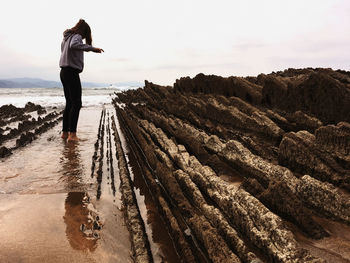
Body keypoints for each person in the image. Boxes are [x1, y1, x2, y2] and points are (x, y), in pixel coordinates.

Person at [59, 19, 104, 142]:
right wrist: (92, 48)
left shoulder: (66, 38)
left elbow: (68, 49)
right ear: (84, 31)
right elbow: (75, 45)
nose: (84, 38)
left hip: (63, 72)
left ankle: (65, 133)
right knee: (77, 103)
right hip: (71, 72)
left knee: (69, 103)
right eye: (85, 35)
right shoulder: (76, 36)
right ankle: (72, 135)